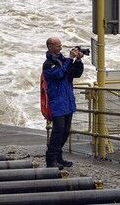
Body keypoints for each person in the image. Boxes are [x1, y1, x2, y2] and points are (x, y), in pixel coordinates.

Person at [43, 37, 85, 168]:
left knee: (66, 131)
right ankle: (51, 159)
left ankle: (58, 157)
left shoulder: (63, 60)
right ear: (50, 46)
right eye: (57, 46)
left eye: (61, 45)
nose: (60, 48)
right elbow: (59, 74)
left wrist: (77, 60)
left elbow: (76, 74)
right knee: (58, 130)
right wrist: (70, 59)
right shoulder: (48, 64)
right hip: (56, 101)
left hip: (67, 100)